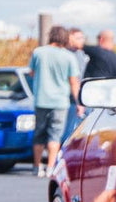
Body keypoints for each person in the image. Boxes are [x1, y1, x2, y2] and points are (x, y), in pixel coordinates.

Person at [27, 25, 81, 178]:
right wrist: (79, 102)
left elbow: (31, 73)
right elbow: (73, 82)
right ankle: (51, 166)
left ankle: (37, 166)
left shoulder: (38, 52)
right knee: (55, 135)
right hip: (60, 101)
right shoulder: (69, 57)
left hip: (41, 99)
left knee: (39, 134)